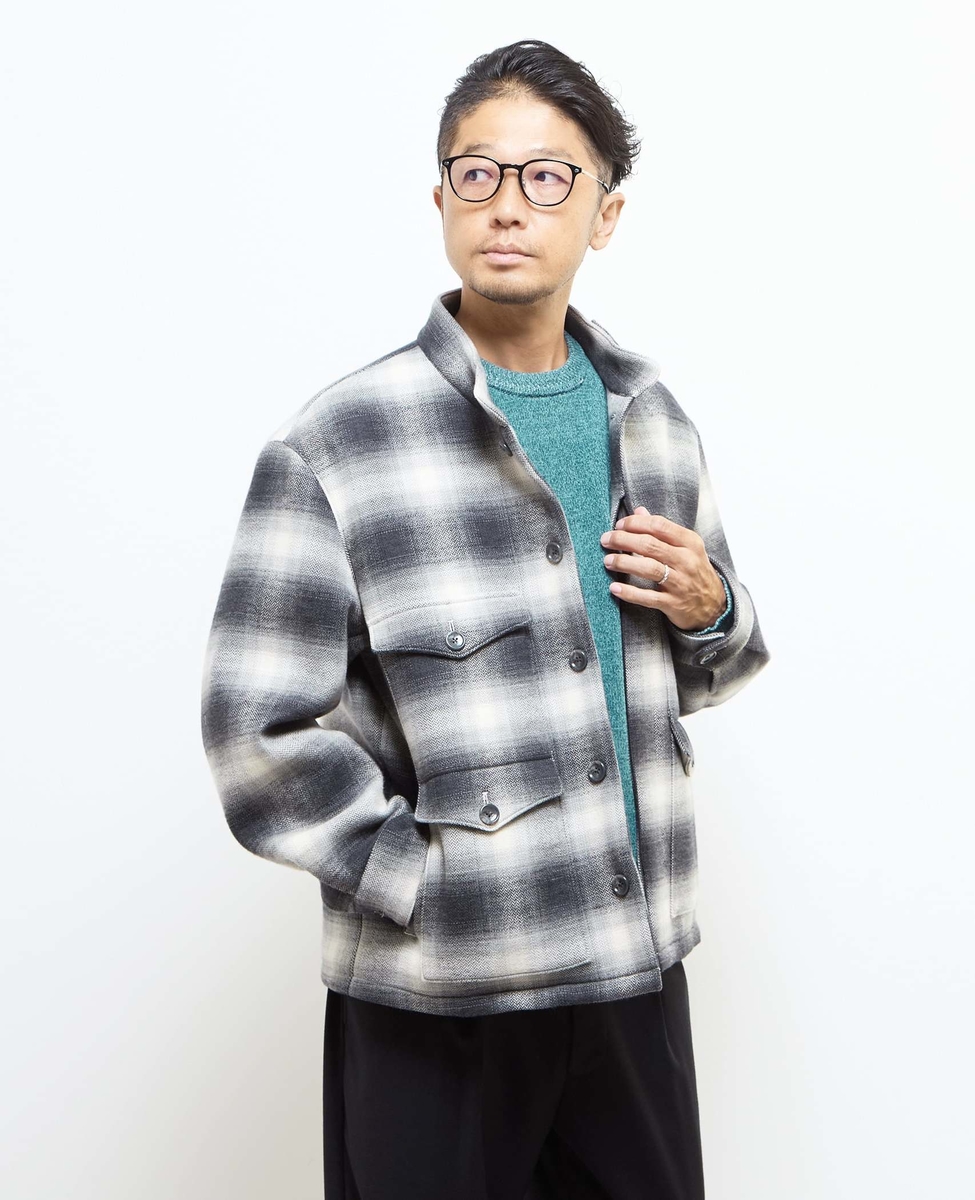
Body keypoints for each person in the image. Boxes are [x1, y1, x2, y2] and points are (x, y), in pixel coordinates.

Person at [200, 37, 770, 1200]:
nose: (509, 204)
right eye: (479, 173)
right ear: (443, 201)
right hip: (440, 1004)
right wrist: (419, 884)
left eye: (549, 177)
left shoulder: (655, 424)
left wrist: (714, 608)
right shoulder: (338, 444)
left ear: (604, 215)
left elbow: (712, 668)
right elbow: (256, 734)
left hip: (633, 983)